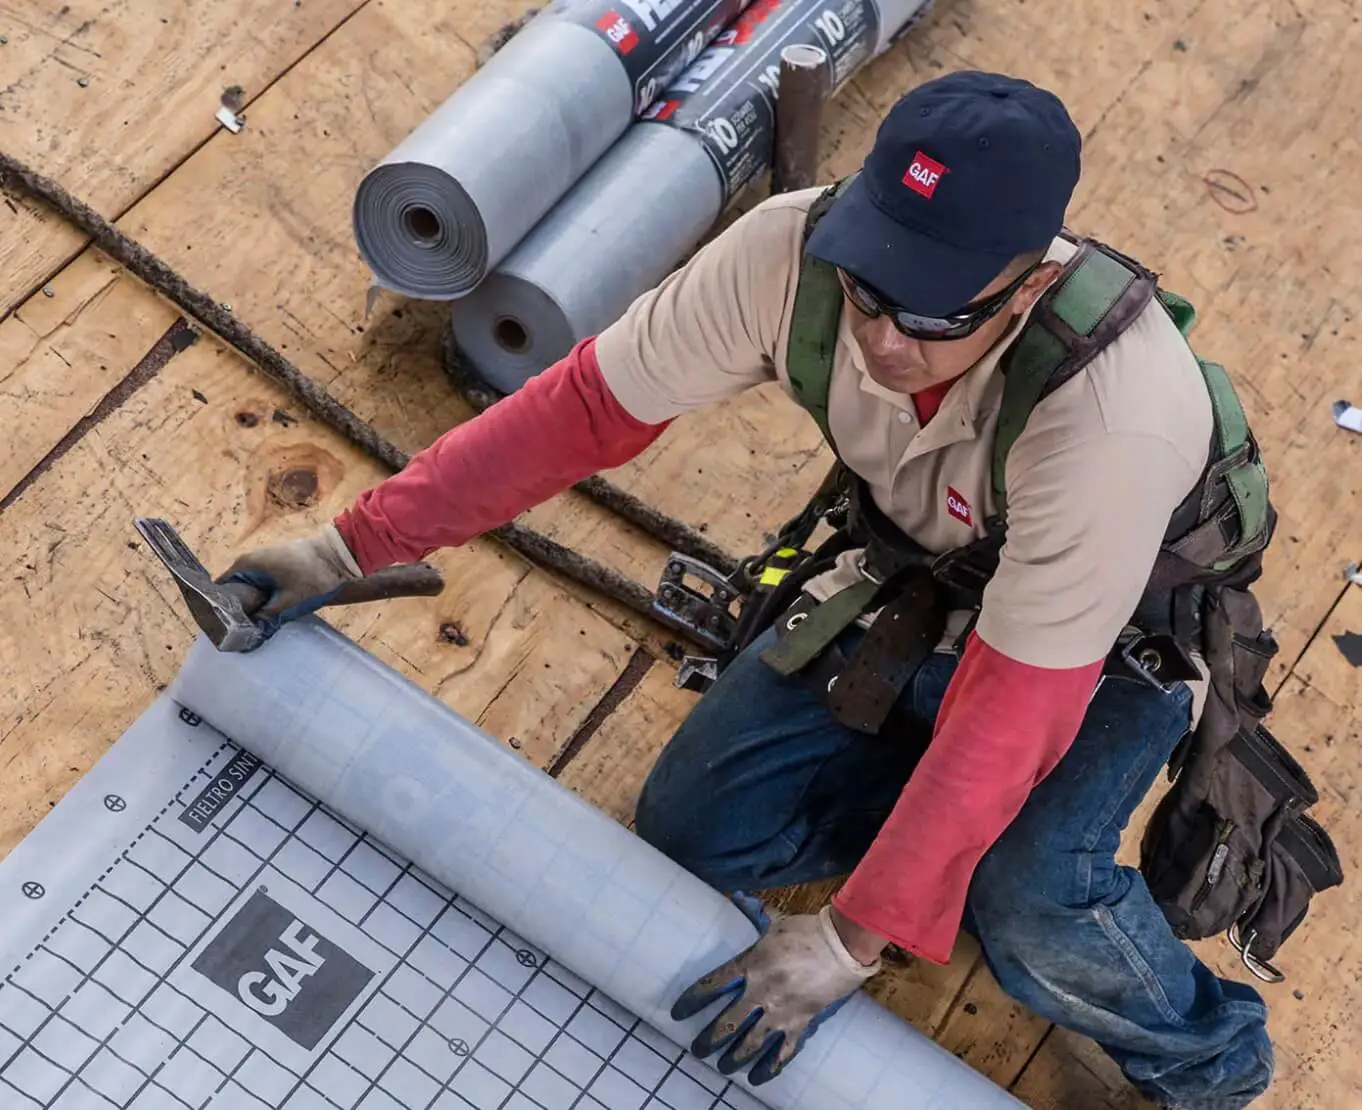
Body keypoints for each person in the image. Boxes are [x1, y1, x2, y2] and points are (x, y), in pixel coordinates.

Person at [222, 71, 1275, 1109]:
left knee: (1032, 907)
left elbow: (1014, 708)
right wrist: (352, 545)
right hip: (920, 586)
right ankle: (939, 828)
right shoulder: (790, 249)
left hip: (1099, 657)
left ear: (1030, 284)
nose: (881, 338)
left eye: (934, 315)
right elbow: (582, 410)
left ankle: (1209, 1058)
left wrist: (858, 937)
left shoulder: (1110, 418)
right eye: (869, 284)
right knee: (696, 827)